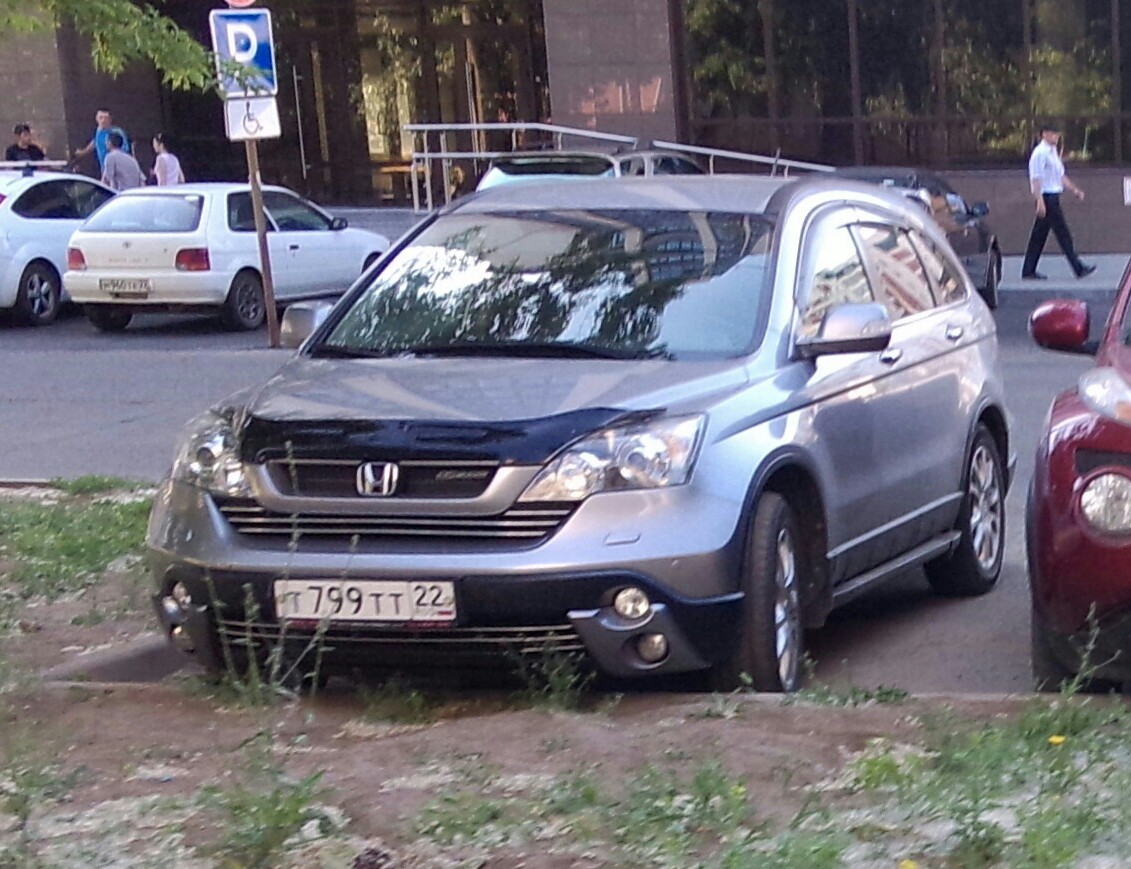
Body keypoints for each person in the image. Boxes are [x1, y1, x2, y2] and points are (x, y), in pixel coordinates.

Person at [1022, 124, 1095, 280]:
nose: (1056, 136)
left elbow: (1061, 176)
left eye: (1057, 134)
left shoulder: (1052, 152)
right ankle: (1078, 268)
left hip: (1053, 196)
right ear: (1045, 134)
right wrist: (1039, 201)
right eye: (1053, 133)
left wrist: (1075, 190)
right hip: (1047, 198)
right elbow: (1035, 179)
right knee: (1063, 234)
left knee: (1038, 236)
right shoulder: (1040, 153)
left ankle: (1028, 270)